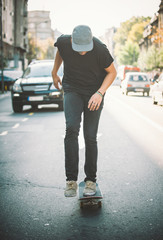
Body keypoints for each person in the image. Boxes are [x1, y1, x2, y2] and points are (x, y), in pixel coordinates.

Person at [52, 25, 117, 197]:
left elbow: (112, 72)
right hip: (72, 89)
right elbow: (60, 52)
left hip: (94, 92)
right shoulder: (64, 42)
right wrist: (54, 72)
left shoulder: (99, 48)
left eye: (85, 49)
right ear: (72, 41)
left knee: (90, 136)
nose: (82, 53)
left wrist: (100, 93)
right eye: (79, 49)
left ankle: (90, 180)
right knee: (71, 129)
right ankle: (71, 180)